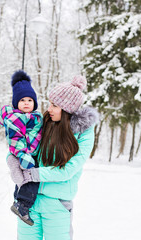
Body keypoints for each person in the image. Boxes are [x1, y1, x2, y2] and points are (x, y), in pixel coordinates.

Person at [12, 75, 99, 240]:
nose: (49, 109)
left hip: (57, 204)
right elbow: (22, 148)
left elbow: (68, 170)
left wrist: (34, 174)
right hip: (29, 201)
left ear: (67, 109)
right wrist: (14, 160)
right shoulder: (43, 122)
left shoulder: (84, 133)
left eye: (55, 105)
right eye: (50, 104)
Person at [0, 70, 43, 226]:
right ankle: (23, 205)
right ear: (16, 103)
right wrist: (24, 156)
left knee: (24, 179)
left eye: (30, 100)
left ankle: (19, 201)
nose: (26, 102)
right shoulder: (15, 118)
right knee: (32, 178)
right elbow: (15, 139)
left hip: (32, 153)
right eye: (22, 100)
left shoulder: (35, 116)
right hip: (23, 154)